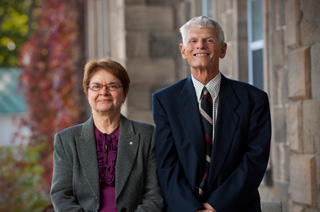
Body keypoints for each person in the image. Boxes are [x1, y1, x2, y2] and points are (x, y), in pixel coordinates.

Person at [152, 16, 271, 212]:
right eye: (193, 41)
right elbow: (167, 165)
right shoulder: (165, 101)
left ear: (223, 49)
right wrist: (193, 209)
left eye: (209, 40)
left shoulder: (254, 100)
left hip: (237, 207)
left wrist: (216, 206)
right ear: (183, 51)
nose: (201, 46)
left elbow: (255, 160)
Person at [51, 58, 163, 212]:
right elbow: (61, 195)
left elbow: (154, 195)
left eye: (112, 86)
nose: (104, 92)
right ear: (87, 92)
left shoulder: (147, 136)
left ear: (125, 93)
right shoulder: (66, 141)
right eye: (96, 86)